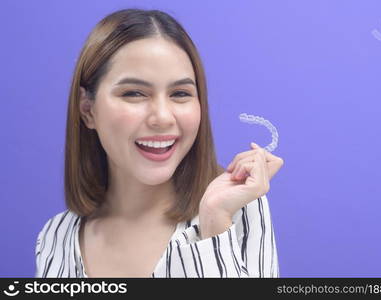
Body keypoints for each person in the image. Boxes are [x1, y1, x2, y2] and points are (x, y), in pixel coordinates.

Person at [35, 8, 284, 278]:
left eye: (180, 93)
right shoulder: (54, 238)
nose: (163, 117)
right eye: (134, 93)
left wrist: (214, 226)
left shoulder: (238, 211)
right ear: (87, 109)